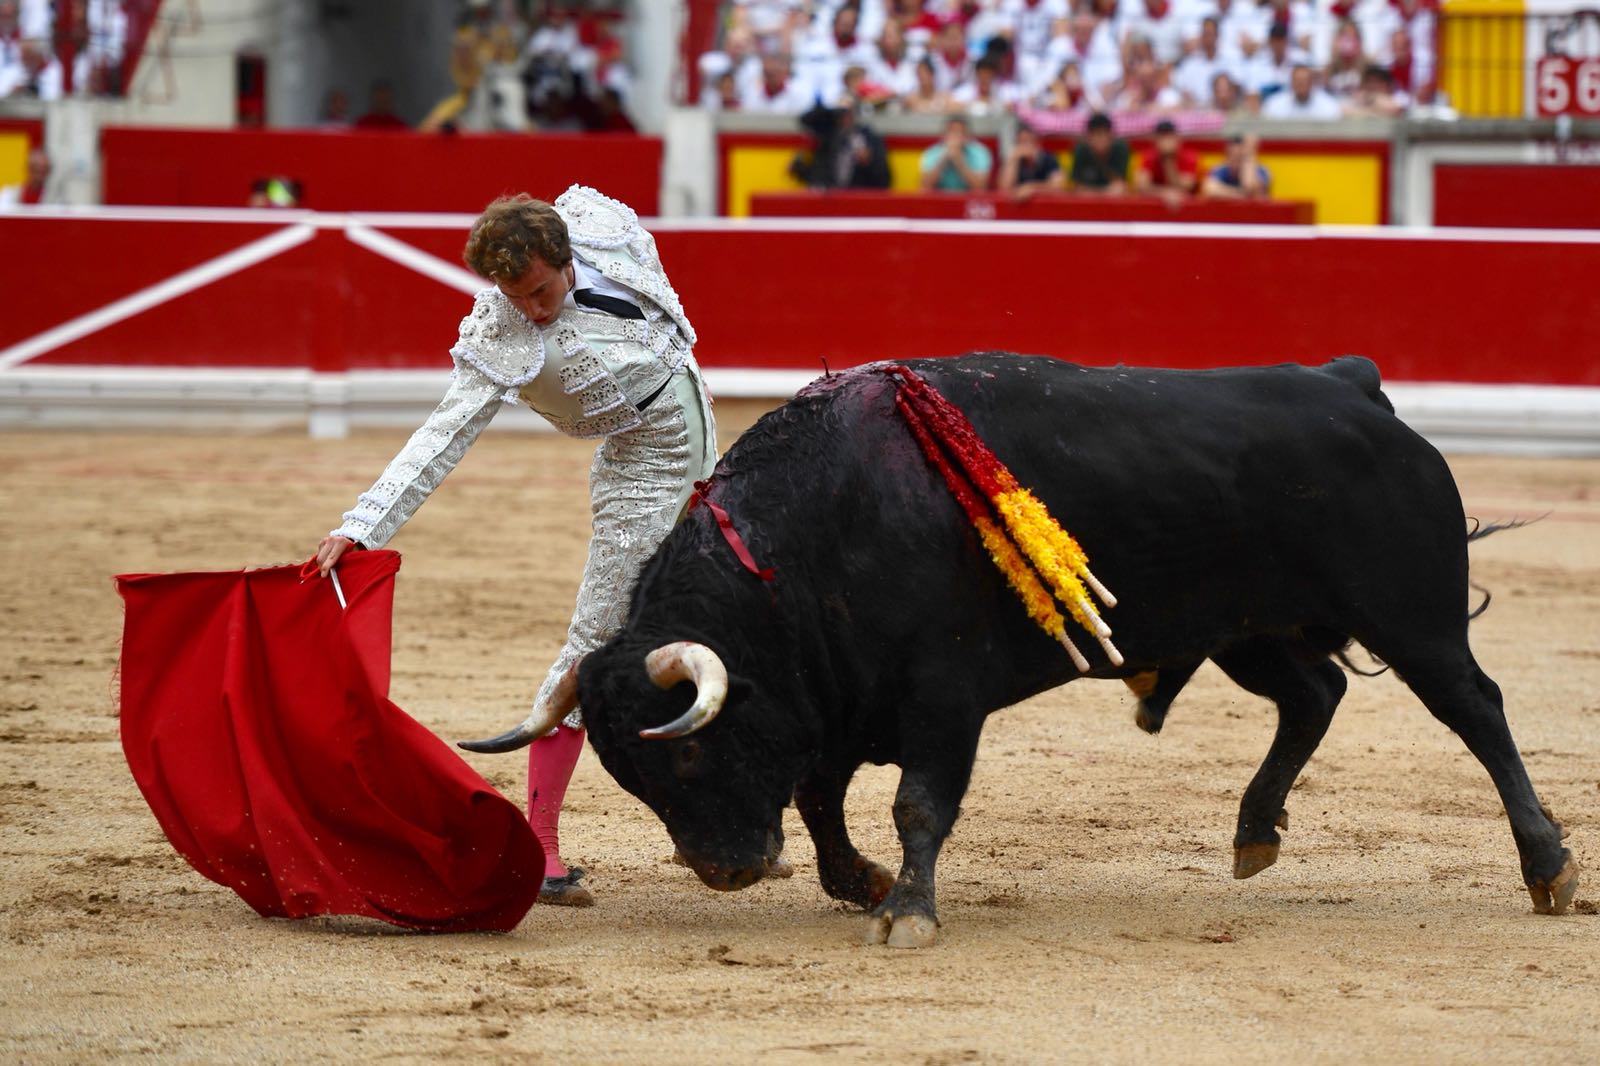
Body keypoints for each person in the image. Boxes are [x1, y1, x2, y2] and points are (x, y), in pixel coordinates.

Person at [313, 187, 720, 908]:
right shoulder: (501, 331)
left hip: (708, 458)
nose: (530, 310)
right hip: (640, 476)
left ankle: (720, 826)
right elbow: (440, 437)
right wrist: (364, 524)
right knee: (594, 646)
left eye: (537, 290)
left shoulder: (603, 228)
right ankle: (543, 848)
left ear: (565, 259)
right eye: (513, 295)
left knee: (723, 626)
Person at [919, 115, 993, 192]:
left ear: (968, 136)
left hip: (969, 199)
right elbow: (925, 185)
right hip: (940, 199)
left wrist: (959, 160)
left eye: (961, 132)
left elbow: (980, 186)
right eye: (952, 132)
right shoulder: (932, 152)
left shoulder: (980, 152)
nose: (956, 136)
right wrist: (943, 159)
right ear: (943, 135)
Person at [1132, 119, 1197, 205]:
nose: (1166, 141)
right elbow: (1141, 186)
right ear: (1155, 139)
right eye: (1162, 137)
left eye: (1169, 136)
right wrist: (1164, 193)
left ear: (1177, 138)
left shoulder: (1189, 156)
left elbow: (1186, 186)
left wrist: (1168, 159)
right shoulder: (1149, 156)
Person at [997, 123, 1064, 200]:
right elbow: (1004, 188)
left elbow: (1058, 185)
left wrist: (1032, 188)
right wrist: (1013, 158)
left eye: (1028, 141)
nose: (1025, 146)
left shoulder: (1048, 159)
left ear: (1037, 143)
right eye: (1021, 142)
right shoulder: (1015, 160)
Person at [1068, 111, 1128, 194]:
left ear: (1111, 136)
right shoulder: (1081, 150)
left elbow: (1120, 183)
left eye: (1105, 135)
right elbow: (1076, 185)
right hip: (1087, 196)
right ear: (1088, 137)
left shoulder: (1120, 148)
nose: (1101, 140)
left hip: (1110, 196)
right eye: (1097, 135)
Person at [1201, 133, 1270, 199]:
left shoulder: (1261, 171)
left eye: (1240, 158)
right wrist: (1241, 195)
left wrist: (1248, 154)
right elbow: (1209, 188)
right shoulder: (1220, 170)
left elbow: (1250, 187)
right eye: (1232, 157)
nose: (1236, 162)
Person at [1261, 63, 1342, 119]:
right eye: (1298, 82)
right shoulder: (1275, 105)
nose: (1301, 86)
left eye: (1304, 81)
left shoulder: (1328, 106)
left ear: (1311, 83)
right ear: (1291, 83)